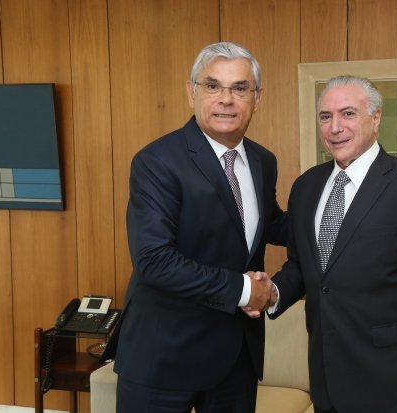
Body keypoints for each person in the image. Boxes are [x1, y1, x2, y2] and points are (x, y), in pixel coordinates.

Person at [102, 41, 286, 413]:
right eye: (213, 86)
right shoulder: (157, 161)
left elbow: (267, 225)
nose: (226, 99)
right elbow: (154, 261)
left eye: (240, 88)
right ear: (191, 92)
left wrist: (339, 209)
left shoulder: (263, 161)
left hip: (236, 359)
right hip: (164, 357)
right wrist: (244, 290)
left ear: (257, 98)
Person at [260, 75, 397, 413]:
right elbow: (304, 265)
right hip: (325, 374)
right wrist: (272, 293)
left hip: (390, 378)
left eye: (348, 113)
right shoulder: (306, 187)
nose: (335, 127)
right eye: (325, 116)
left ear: (375, 118)